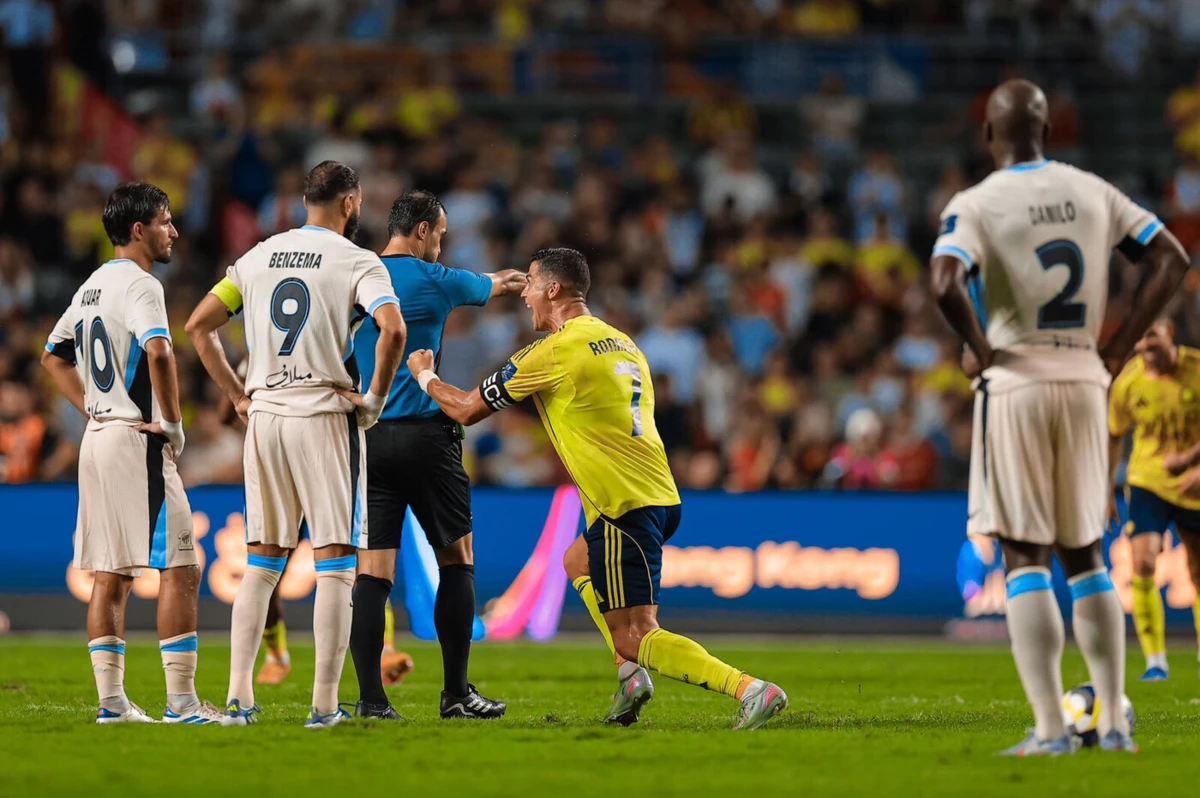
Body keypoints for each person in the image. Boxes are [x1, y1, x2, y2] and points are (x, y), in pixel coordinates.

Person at [344, 248, 787, 730]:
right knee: (576, 561)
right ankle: (630, 678)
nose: (526, 296)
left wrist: (425, 375)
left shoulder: (554, 351)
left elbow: (468, 409)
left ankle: (749, 690)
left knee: (637, 634)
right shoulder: (622, 341)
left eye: (532, 284)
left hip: (621, 507)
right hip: (658, 493)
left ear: (552, 289)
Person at [930, 79, 1190, 755]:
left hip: (1017, 383)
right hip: (1083, 380)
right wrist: (1118, 347)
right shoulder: (1093, 190)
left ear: (990, 134)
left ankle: (1050, 729)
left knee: (1025, 557)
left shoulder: (977, 202)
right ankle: (1114, 724)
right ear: (1048, 131)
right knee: (1086, 555)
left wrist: (983, 349)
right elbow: (1172, 257)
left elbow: (944, 281)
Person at [185, 161, 407, 728]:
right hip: (324, 412)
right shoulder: (358, 260)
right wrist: (375, 399)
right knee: (336, 565)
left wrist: (237, 396)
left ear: (306, 200)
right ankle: (324, 706)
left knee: (262, 565)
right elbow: (393, 328)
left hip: (265, 417)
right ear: (350, 203)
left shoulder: (257, 256)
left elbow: (198, 327)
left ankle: (238, 701)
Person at [41, 182, 222, 724]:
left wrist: (94, 407)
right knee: (182, 565)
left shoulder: (91, 285)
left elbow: (53, 357)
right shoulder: (143, 285)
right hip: (136, 442)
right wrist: (173, 424)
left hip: (99, 438)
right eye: (165, 221)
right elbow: (160, 352)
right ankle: (182, 702)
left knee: (111, 572)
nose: (174, 232)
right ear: (139, 230)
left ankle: (113, 703)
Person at [349, 190, 525, 720]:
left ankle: (371, 701)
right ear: (422, 230)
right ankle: (456, 693)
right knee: (457, 560)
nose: (441, 245)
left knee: (372, 573)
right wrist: (533, 281)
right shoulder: (437, 279)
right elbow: (498, 283)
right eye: (441, 235)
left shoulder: (356, 275)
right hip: (427, 437)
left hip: (369, 437)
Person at [1110, 319, 1200, 681]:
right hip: (1147, 480)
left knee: (1198, 570)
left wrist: (1193, 462)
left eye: (1151, 337)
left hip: (1194, 484)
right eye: (1139, 339)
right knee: (1143, 561)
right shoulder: (1129, 382)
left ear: (1170, 332)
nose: (1144, 347)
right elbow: (1113, 433)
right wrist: (1106, 487)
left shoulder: (1196, 370)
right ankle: (1155, 661)